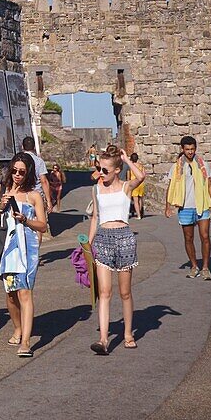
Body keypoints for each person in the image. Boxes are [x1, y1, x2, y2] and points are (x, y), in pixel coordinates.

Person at [0, 153, 48, 358]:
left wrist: (26, 220)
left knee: (25, 292)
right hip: (8, 249)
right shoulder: (1, 191)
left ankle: (26, 342)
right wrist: (1, 206)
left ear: (28, 173)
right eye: (14, 171)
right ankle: (18, 328)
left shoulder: (34, 195)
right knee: (11, 294)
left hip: (28, 249)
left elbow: (43, 225)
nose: (17, 175)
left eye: (22, 172)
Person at [87, 145, 146, 354]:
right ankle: (103, 339)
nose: (100, 173)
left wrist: (126, 158)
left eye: (105, 170)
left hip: (124, 239)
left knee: (125, 292)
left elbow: (141, 176)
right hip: (103, 238)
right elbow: (95, 217)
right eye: (99, 169)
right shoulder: (96, 189)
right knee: (104, 292)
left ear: (116, 170)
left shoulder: (126, 187)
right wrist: (88, 244)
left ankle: (128, 334)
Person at [165, 136, 211, 280]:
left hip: (202, 205)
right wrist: (168, 206)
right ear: (182, 149)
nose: (190, 152)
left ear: (195, 148)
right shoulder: (177, 166)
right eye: (187, 149)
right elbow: (171, 186)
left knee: (205, 236)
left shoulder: (202, 164)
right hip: (185, 207)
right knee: (188, 238)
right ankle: (193, 266)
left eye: (192, 149)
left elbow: (209, 184)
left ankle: (205, 268)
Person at [128, 152, 146, 219]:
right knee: (140, 199)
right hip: (141, 183)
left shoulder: (131, 166)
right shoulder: (141, 166)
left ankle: (138, 215)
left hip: (134, 183)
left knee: (135, 200)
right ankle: (140, 212)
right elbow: (144, 174)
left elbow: (129, 175)